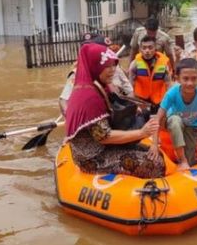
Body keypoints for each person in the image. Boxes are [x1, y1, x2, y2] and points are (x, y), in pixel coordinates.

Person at [64, 43, 164, 178]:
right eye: (106, 66)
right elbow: (104, 137)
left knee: (157, 155)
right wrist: (142, 132)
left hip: (103, 148)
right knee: (156, 164)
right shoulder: (89, 97)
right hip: (92, 157)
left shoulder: (98, 86)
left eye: (113, 65)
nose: (112, 70)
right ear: (95, 66)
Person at [148, 58, 197, 171]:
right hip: (172, 121)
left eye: (194, 79)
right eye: (185, 79)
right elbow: (158, 118)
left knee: (191, 161)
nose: (190, 83)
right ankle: (182, 160)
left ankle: (187, 160)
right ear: (177, 79)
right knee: (175, 121)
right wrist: (154, 144)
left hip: (193, 126)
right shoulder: (172, 93)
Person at [59, 35, 133, 116]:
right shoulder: (78, 74)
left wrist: (132, 107)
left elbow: (128, 89)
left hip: (117, 111)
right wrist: (70, 116)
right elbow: (64, 100)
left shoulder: (115, 67)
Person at [128, 35, 171, 114]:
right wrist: (135, 103)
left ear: (155, 49)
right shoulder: (135, 64)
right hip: (141, 100)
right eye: (144, 48)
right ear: (140, 49)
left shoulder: (164, 64)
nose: (147, 50)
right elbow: (131, 85)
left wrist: (167, 103)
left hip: (159, 100)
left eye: (150, 47)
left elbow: (168, 84)